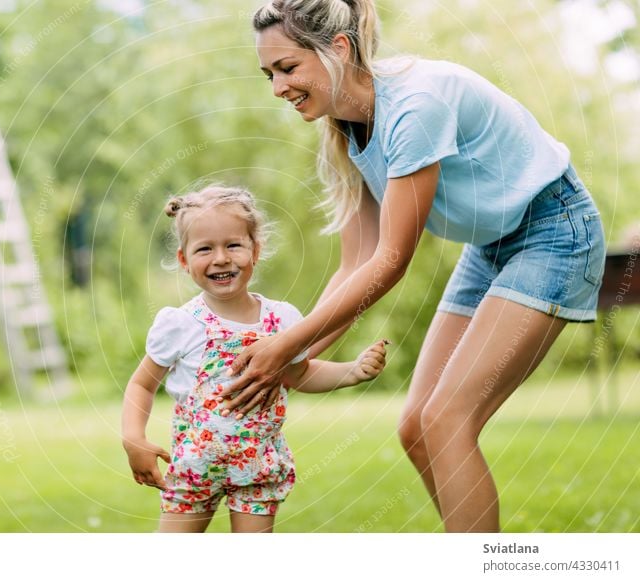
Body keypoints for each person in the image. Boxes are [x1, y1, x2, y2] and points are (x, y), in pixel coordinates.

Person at [219, 0, 606, 532]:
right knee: (418, 430)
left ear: (337, 49)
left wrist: (285, 349)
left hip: (553, 230)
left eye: (288, 68)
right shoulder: (345, 123)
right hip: (491, 245)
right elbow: (355, 263)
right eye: (269, 74)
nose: (278, 88)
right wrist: (292, 361)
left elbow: (392, 261)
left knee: (446, 421)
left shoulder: (414, 107)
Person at [121, 184, 388, 533]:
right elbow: (142, 384)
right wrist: (133, 439)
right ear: (184, 260)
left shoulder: (283, 321)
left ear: (255, 250)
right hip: (194, 469)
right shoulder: (180, 324)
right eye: (205, 249)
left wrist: (351, 371)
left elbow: (299, 376)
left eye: (233, 245)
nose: (221, 258)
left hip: (258, 469)